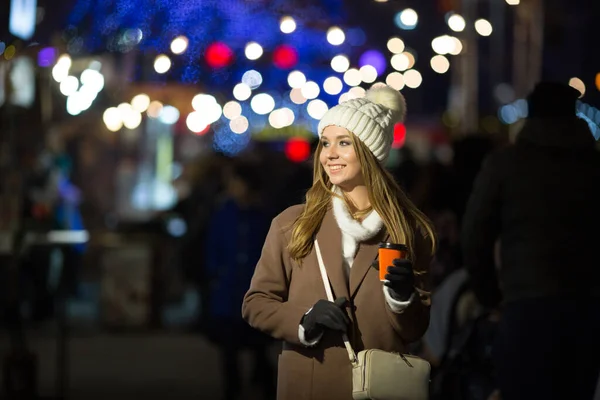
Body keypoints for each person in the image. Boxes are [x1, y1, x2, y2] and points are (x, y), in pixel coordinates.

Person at [242, 85, 436, 400]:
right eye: (325, 143)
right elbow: (256, 303)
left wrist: (402, 299)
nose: (329, 153)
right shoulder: (293, 223)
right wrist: (304, 320)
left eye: (343, 143)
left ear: (370, 153)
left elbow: (414, 330)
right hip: (308, 387)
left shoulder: (407, 231)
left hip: (379, 388)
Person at [462, 81, 600, 400]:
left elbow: (475, 235)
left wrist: (489, 294)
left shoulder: (506, 165)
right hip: (587, 308)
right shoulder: (593, 167)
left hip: (526, 306)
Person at [204, 161, 275, 400]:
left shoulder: (263, 217)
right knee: (229, 352)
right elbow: (212, 249)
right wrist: (215, 274)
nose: (232, 187)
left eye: (236, 182)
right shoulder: (223, 214)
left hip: (256, 292)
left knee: (259, 349)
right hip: (228, 293)